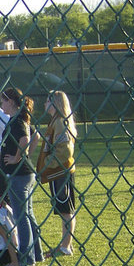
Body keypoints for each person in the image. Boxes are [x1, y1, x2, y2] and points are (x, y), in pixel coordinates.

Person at [0, 87, 43, 266]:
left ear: (11, 102)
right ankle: (37, 253)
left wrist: (17, 158)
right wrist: (24, 156)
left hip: (19, 174)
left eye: (3, 101)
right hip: (25, 173)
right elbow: (36, 136)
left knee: (20, 216)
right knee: (28, 214)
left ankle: (27, 257)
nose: (1, 104)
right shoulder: (20, 119)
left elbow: (25, 140)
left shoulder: (17, 121)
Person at [36, 90, 78, 257]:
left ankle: (66, 245)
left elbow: (64, 150)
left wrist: (48, 164)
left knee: (66, 209)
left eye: (48, 101)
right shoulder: (55, 121)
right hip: (56, 172)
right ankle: (65, 243)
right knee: (63, 209)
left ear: (56, 103)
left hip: (60, 172)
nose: (45, 104)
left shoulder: (60, 122)